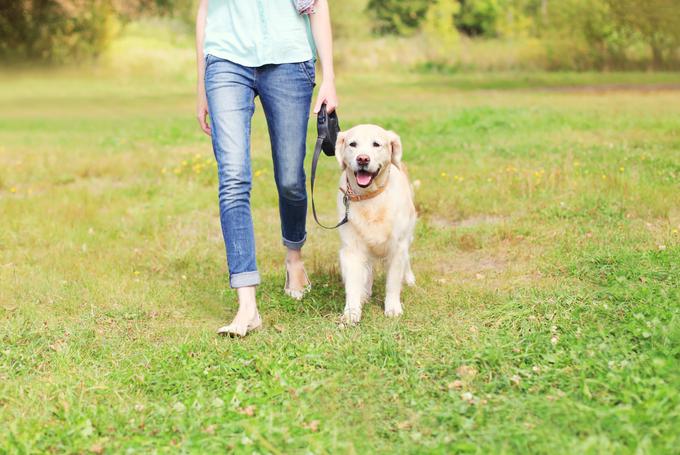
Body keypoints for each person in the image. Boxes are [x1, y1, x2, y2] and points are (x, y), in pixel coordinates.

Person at [195, 0, 338, 336]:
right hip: (226, 59)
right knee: (232, 177)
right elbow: (204, 10)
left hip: (289, 58)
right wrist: (201, 83)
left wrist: (329, 77)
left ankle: (294, 258)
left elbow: (317, 5)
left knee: (290, 179)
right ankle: (247, 305)